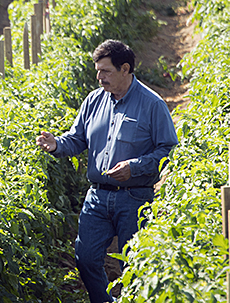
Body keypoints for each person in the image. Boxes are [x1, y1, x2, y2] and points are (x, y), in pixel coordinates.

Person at [36, 40, 178, 302]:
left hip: (135, 198)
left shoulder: (152, 104)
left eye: (106, 71)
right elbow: (77, 138)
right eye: (98, 71)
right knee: (86, 258)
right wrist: (57, 144)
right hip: (97, 197)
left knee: (134, 264)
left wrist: (134, 167)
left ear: (125, 69)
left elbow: (168, 150)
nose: (99, 77)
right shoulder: (94, 101)